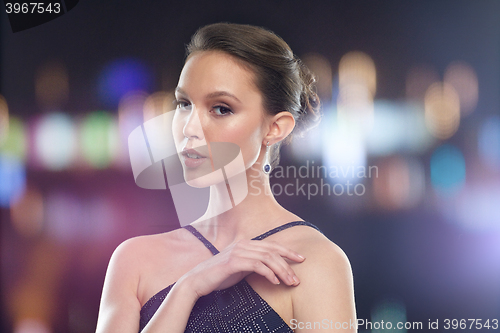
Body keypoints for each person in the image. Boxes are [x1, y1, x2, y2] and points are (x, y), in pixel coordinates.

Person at [95, 22, 356, 333]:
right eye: (184, 104)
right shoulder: (133, 261)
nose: (190, 128)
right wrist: (188, 287)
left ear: (275, 128)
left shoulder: (314, 262)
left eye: (220, 108)